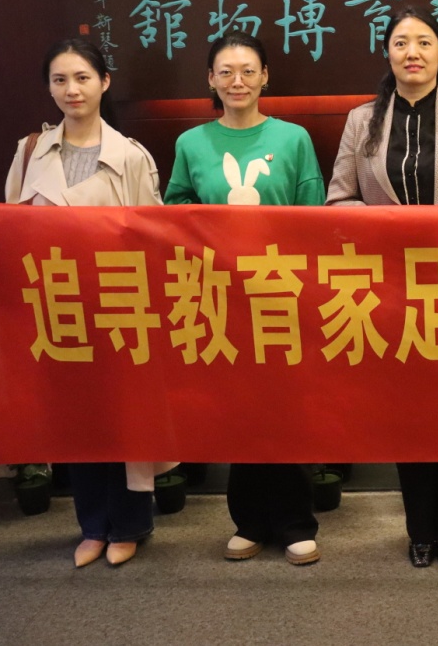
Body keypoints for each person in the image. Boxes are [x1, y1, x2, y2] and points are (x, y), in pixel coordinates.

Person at [326, 7, 438, 568]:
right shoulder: (362, 120)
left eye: (424, 42)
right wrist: (389, 226)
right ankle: (420, 527)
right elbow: (338, 201)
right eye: (401, 42)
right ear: (388, 53)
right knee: (408, 412)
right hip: (389, 288)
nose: (413, 53)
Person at [5, 37, 171, 567]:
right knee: (76, 419)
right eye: (60, 80)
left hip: (119, 305)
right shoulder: (30, 151)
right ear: (49, 88)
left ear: (104, 82)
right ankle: (92, 525)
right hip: (57, 308)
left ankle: (130, 524)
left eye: (82, 78)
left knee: (123, 418)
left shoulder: (131, 155)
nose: (72, 89)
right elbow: (11, 231)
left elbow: (154, 238)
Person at [164, 30, 325, 565]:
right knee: (239, 409)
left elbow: (313, 217)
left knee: (286, 407)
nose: (238, 81)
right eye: (226, 72)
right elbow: (175, 213)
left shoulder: (294, 139)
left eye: (248, 71)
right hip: (221, 296)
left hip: (281, 291)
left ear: (265, 77)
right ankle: (249, 520)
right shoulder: (192, 144)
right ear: (210, 79)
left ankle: (296, 522)